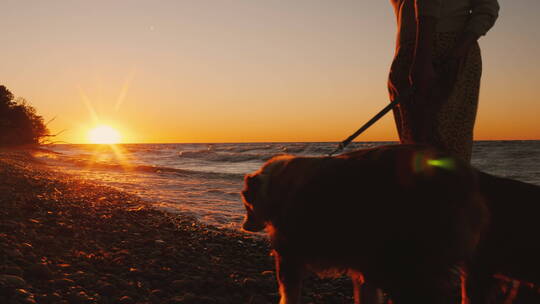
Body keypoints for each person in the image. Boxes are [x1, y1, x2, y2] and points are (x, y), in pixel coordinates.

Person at [388, 0, 499, 162]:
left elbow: (487, 7)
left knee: (427, 152)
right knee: (435, 152)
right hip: (428, 52)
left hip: (429, 51)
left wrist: (423, 57)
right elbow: (488, 8)